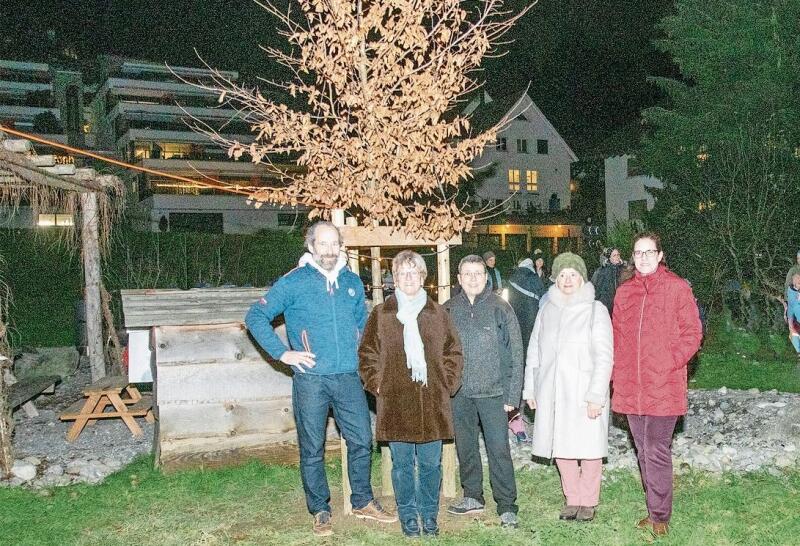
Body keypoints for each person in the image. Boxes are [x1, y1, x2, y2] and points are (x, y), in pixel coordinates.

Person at [245, 221, 397, 537]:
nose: (328, 250)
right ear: (311, 245)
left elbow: (362, 327)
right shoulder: (293, 282)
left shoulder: (353, 282)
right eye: (322, 243)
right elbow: (255, 317)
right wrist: (282, 353)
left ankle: (363, 501)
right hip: (311, 380)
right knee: (312, 447)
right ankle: (320, 510)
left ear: (339, 246)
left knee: (361, 440)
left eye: (333, 244)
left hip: (347, 377)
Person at [359, 250, 464, 537]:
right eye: (402, 272)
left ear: (422, 277)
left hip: (432, 403)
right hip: (395, 402)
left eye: (413, 272)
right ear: (394, 277)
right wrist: (377, 384)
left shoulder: (438, 313)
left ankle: (429, 515)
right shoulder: (381, 314)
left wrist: (447, 383)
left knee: (431, 464)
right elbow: (367, 353)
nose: (408, 277)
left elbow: (453, 352)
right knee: (402, 466)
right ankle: (408, 515)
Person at [611, 232, 703, 537]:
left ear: (660, 255)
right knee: (641, 449)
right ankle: (652, 509)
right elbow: (616, 337)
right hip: (631, 384)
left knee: (656, 448)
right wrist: (615, 373)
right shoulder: (624, 293)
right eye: (638, 253)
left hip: (663, 384)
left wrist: (669, 361)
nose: (645, 258)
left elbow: (693, 333)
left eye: (650, 252)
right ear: (632, 258)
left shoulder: (677, 288)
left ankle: (660, 515)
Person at [522, 252, 613, 522]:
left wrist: (596, 395)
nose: (567, 280)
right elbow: (534, 352)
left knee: (589, 449)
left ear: (582, 278)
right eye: (562, 275)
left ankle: (589, 500)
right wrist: (530, 389)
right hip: (553, 392)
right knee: (561, 448)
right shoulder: (546, 310)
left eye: (573, 274)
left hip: (584, 392)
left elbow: (605, 355)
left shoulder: (596, 310)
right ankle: (572, 498)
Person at [444, 255, 524, 529]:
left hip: (494, 394)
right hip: (460, 394)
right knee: (466, 448)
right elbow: (439, 353)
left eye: (478, 273)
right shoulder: (448, 310)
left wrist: (512, 396)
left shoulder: (501, 308)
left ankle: (506, 504)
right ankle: (472, 496)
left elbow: (516, 352)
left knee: (498, 449)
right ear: (459, 278)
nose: (473, 278)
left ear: (486, 276)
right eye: (467, 273)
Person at [507, 257, 547, 442]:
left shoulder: (511, 278)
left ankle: (515, 421)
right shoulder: (534, 279)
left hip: (514, 328)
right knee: (532, 369)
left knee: (517, 370)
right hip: (533, 328)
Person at [591, 247, 625, 316]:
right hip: (606, 308)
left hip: (621, 307)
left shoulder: (625, 270)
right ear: (609, 258)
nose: (617, 257)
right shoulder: (602, 271)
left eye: (618, 255)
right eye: (614, 255)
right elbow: (595, 289)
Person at [786, 273, 800, 361]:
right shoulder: (791, 293)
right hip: (796, 320)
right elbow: (791, 308)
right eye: (799, 283)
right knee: (794, 334)